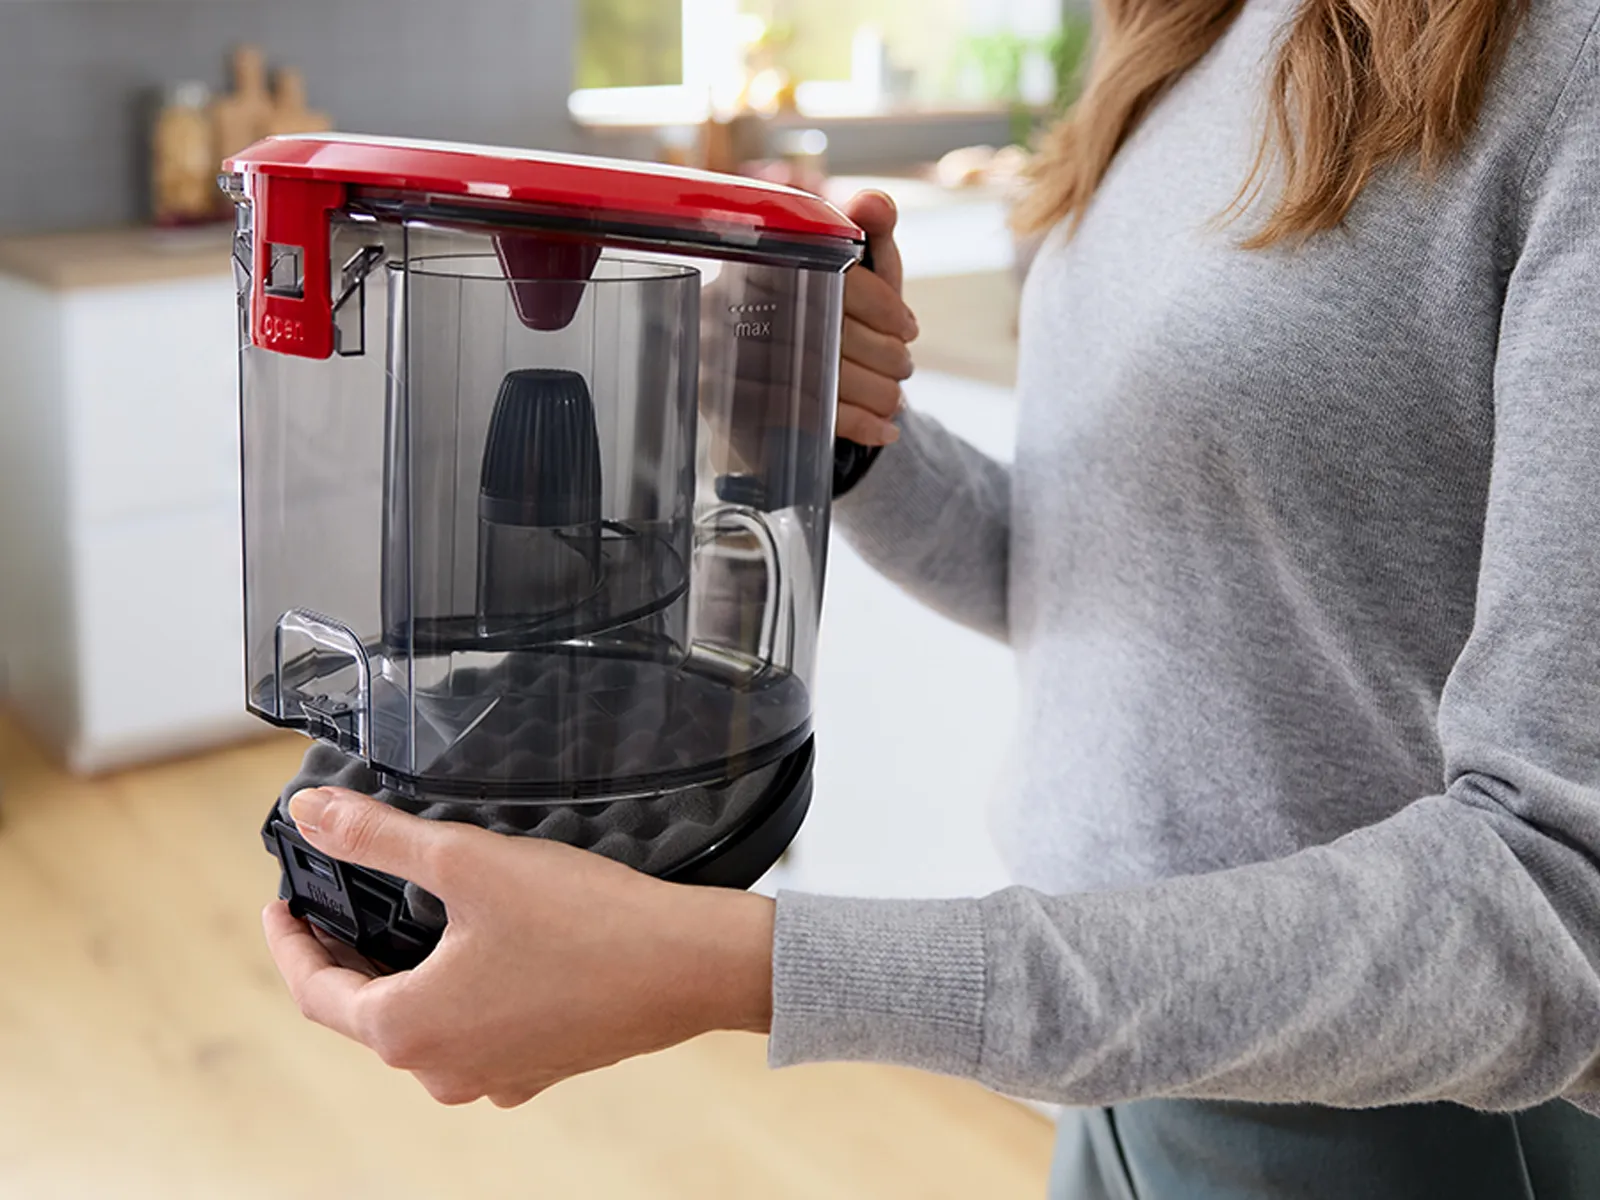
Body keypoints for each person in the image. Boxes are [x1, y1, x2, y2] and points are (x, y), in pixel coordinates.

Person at [264, 0, 1600, 1191]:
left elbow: (1555, 901)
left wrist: (743, 966)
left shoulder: (1563, 64)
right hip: (1117, 1069)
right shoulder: (1174, 37)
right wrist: (836, 439)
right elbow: (1081, 578)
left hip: (1411, 1123)